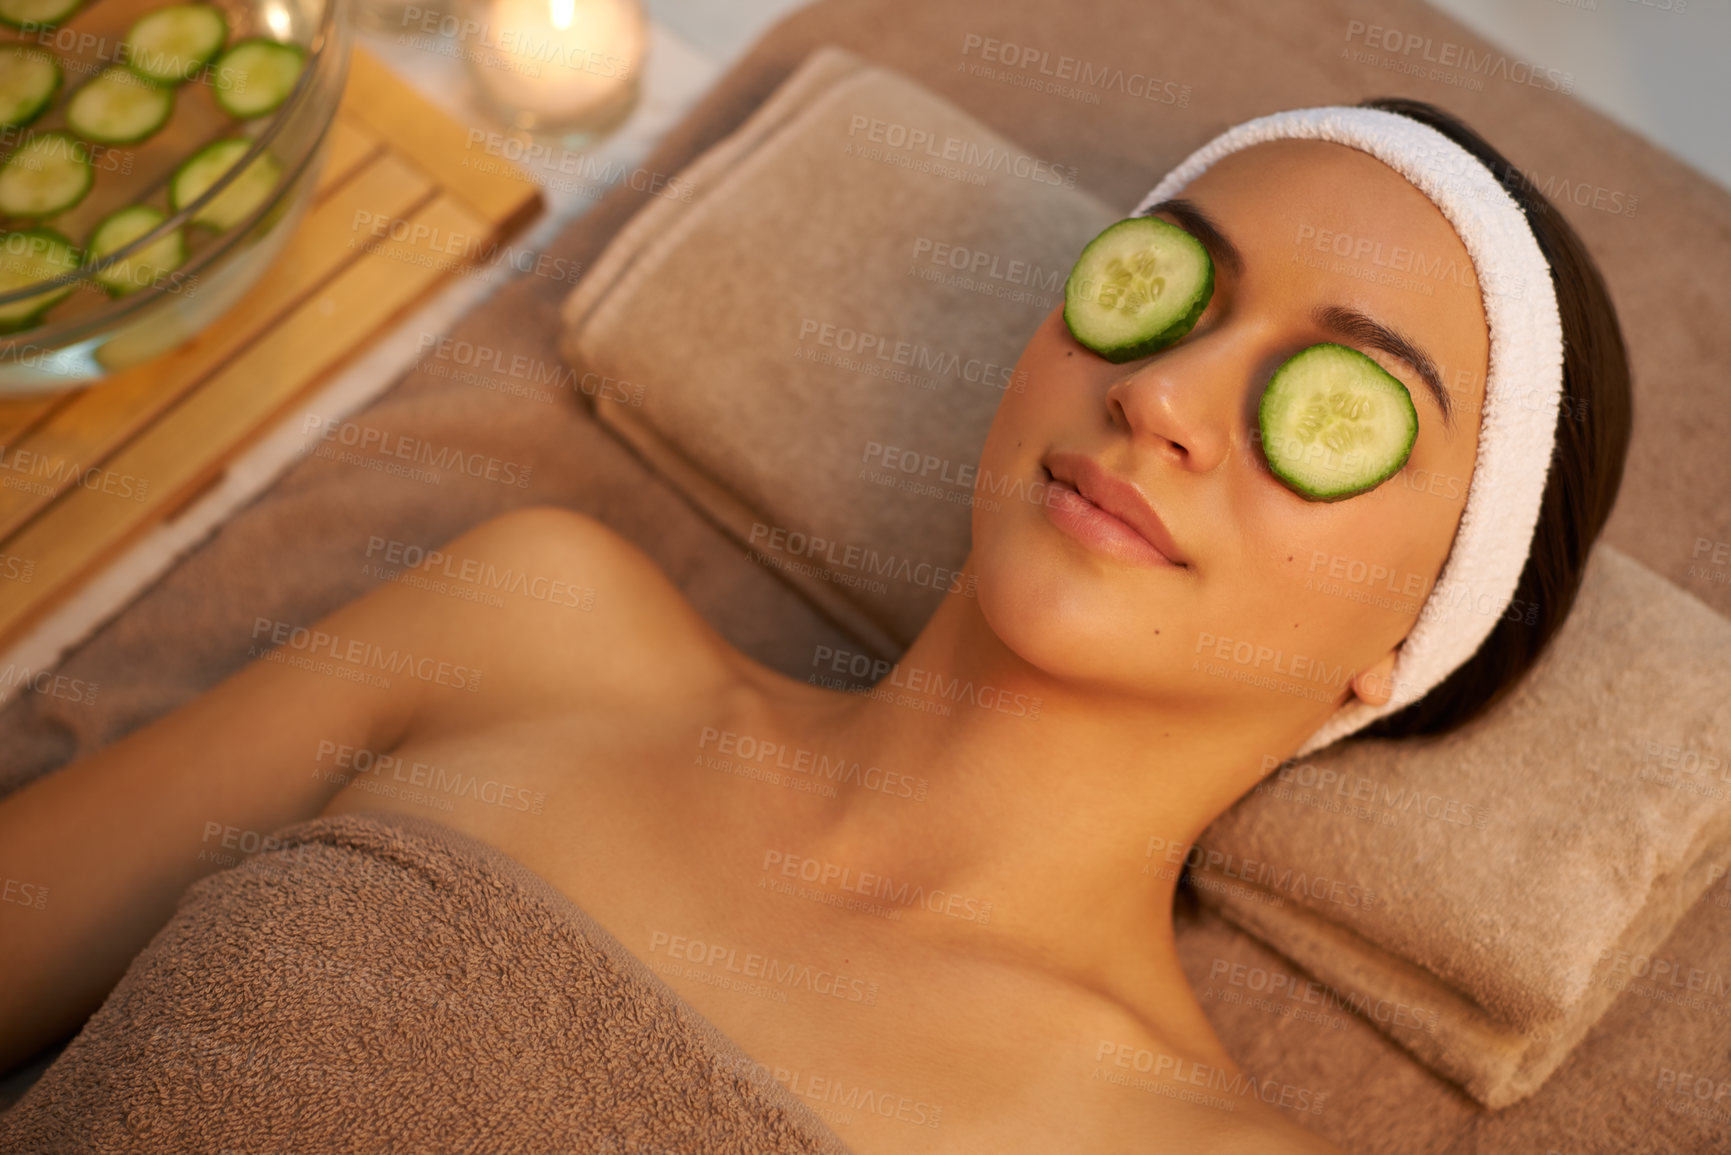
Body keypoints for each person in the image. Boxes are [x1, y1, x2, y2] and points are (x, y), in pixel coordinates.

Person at [0, 98, 1630, 1153]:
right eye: (1165, 290)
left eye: (1334, 405)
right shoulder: (534, 629)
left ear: (1417, 637)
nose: (1166, 394)